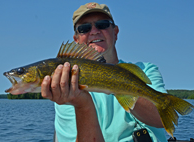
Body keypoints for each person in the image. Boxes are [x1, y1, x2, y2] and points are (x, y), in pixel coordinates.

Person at [41, 2, 168, 142]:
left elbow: (163, 118)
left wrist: (119, 82)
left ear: (115, 32)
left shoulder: (146, 70)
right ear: (76, 40)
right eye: (84, 28)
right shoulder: (66, 87)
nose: (94, 31)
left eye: (102, 24)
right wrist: (82, 104)